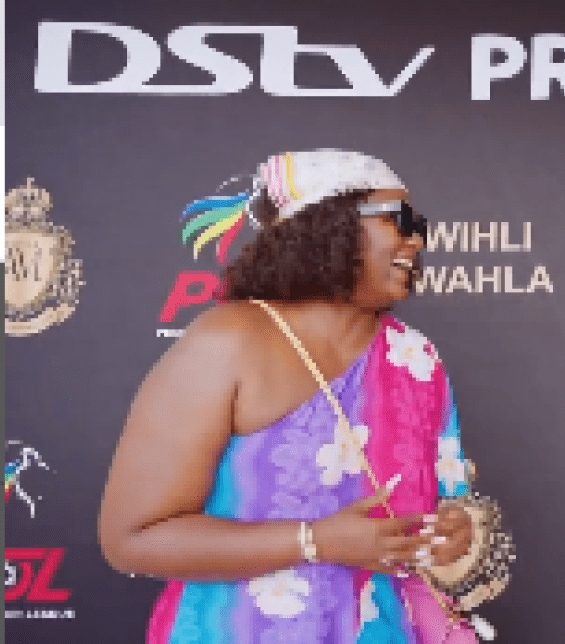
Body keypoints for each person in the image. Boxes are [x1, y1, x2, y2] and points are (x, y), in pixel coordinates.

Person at [99, 149, 484, 644]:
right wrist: (315, 541)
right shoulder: (229, 340)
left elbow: (447, 505)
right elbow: (133, 538)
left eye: (419, 225)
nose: (416, 240)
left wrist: (454, 531)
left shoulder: (417, 356)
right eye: (399, 220)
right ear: (329, 224)